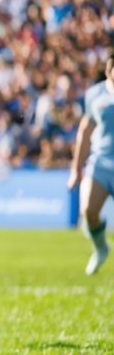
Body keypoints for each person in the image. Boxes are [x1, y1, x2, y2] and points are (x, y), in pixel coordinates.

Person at [68, 54, 114, 275]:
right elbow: (85, 133)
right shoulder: (95, 95)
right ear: (108, 72)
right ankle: (101, 248)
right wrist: (75, 169)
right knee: (88, 210)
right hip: (102, 162)